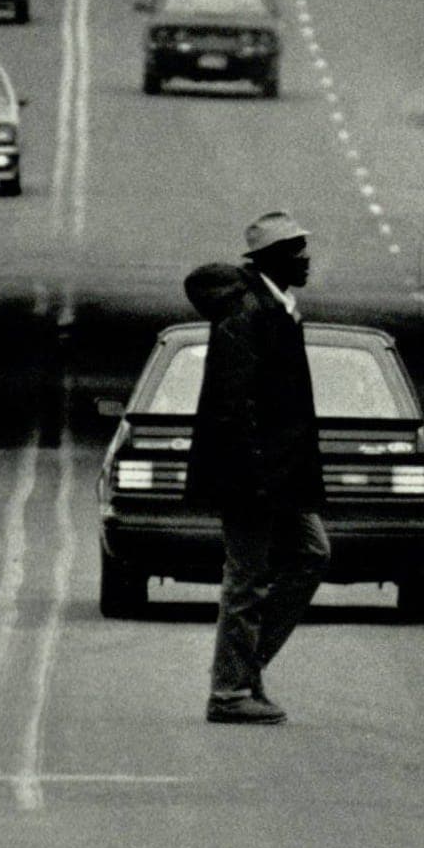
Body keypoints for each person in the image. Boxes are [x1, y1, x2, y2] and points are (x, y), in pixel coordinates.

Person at [183, 211, 329, 727]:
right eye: (297, 251)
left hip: (279, 474)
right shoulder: (250, 313)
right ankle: (228, 691)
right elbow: (232, 404)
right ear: (273, 260)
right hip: (252, 476)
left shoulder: (279, 306)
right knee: (247, 577)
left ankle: (243, 670)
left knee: (312, 553)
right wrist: (257, 477)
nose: (308, 258)